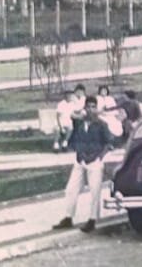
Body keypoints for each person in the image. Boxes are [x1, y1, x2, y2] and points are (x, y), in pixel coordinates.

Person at [52, 96, 114, 233]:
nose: (91, 110)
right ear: (85, 108)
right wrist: (78, 151)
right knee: (71, 189)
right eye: (88, 107)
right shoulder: (79, 124)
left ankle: (92, 219)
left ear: (96, 109)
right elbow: (73, 140)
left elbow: (109, 143)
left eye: (93, 107)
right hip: (80, 160)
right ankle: (68, 217)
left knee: (95, 191)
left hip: (95, 161)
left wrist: (99, 157)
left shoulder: (101, 125)